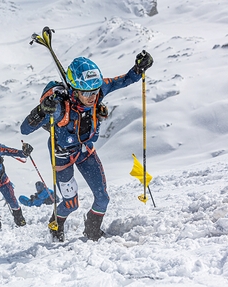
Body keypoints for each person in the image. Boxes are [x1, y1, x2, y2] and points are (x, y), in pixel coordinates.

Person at [20, 51, 153, 241]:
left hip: (85, 151)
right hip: (62, 156)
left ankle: (92, 232)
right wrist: (40, 111)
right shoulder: (59, 107)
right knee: (71, 204)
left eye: (96, 91)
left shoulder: (97, 89)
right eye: (87, 93)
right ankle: (55, 224)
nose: (92, 97)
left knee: (103, 198)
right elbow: (25, 129)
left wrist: (139, 69)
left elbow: (123, 80)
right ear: (74, 89)